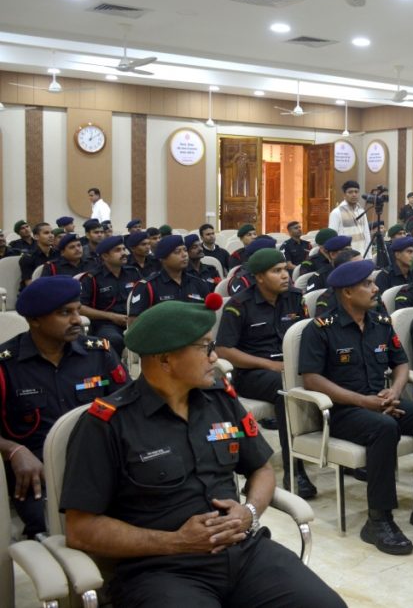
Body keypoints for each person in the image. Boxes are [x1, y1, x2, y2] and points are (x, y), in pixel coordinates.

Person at [60, 296, 346, 608]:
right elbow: (80, 530)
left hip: (242, 553)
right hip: (160, 569)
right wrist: (175, 542)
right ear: (165, 360)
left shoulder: (220, 399)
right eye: (205, 348)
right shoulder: (106, 424)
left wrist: (249, 512)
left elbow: (261, 468)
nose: (215, 357)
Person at [299, 260, 413, 555]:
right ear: (347, 292)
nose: (375, 289)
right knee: (384, 428)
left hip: (380, 402)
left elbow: (401, 363)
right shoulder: (320, 329)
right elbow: (311, 379)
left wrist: (394, 391)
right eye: (367, 284)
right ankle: (378, 519)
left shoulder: (380, 323)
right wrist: (364, 402)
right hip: (342, 410)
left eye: (373, 283)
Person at [0, 277, 128, 539]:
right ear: (34, 320)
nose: (77, 320)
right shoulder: (6, 365)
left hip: (100, 460)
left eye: (77, 310)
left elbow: (129, 406)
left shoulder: (99, 353)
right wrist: (13, 450)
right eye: (64, 313)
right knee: (50, 530)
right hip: (39, 470)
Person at [214, 248, 314, 497]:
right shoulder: (239, 305)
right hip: (252, 373)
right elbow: (224, 350)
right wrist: (269, 365)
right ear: (259, 277)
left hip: (291, 368)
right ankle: (295, 469)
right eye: (276, 271)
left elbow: (307, 333)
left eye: (285, 270)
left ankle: (333, 451)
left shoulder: (294, 297)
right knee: (285, 391)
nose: (285, 275)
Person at [79, 236, 141, 356]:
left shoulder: (133, 272)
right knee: (113, 340)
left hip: (134, 320)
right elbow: (80, 307)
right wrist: (111, 316)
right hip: (106, 324)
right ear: (105, 256)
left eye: (123, 249)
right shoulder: (92, 278)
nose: (123, 253)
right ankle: (114, 367)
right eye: (118, 250)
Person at [128, 235, 213, 322]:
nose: (184, 255)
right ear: (163, 258)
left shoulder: (198, 283)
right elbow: (134, 323)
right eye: (177, 252)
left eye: (185, 250)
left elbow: (208, 317)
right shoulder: (147, 286)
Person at [329, 180, 372, 256]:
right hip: (346, 256)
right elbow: (332, 237)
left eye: (356, 192)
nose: (354, 194)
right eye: (350, 192)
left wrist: (369, 255)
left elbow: (366, 234)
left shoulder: (361, 211)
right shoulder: (336, 212)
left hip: (362, 255)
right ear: (344, 195)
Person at [18, 222, 56, 288]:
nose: (51, 236)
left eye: (52, 233)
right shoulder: (28, 258)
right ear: (36, 237)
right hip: (35, 291)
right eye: (46, 233)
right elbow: (30, 285)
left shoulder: (58, 254)